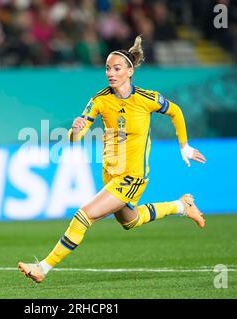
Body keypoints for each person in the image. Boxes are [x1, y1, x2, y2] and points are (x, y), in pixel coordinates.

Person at [18, 36, 207, 283]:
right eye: (107, 68)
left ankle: (43, 267)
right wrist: (75, 131)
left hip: (132, 176)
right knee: (131, 221)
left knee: (83, 216)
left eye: (117, 68)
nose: (110, 73)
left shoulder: (146, 99)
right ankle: (182, 206)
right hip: (110, 172)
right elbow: (78, 135)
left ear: (130, 72)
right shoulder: (100, 99)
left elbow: (175, 111)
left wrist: (184, 146)